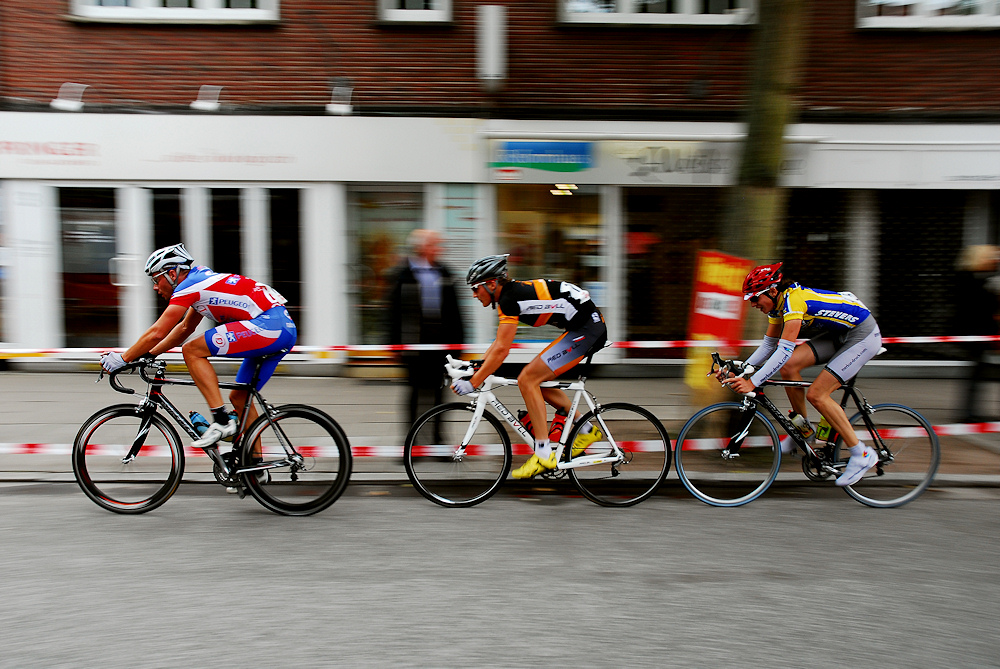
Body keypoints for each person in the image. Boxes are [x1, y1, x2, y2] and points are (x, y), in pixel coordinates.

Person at [100, 243, 297, 449]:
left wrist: (123, 358)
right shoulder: (201, 284)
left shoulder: (190, 285)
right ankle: (256, 469)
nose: (155, 287)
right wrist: (148, 355)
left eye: (156, 279)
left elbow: (158, 332)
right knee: (240, 398)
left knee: (192, 350)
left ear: (172, 274)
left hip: (270, 326)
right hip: (281, 328)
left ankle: (221, 421)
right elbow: (184, 328)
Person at [722, 262, 883, 487]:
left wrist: (753, 381)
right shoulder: (778, 305)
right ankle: (804, 430)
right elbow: (769, 345)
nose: (753, 304)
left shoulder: (793, 302)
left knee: (817, 394)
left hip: (862, 335)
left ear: (772, 291)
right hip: (840, 334)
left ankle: (862, 454)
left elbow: (784, 349)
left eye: (755, 298)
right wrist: (744, 368)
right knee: (789, 368)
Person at [451, 254, 607, 479]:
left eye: (476, 288)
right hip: (582, 327)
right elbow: (498, 344)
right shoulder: (509, 297)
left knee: (528, 379)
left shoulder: (509, 300)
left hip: (586, 331)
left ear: (492, 283)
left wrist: (474, 382)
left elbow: (503, 350)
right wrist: (477, 368)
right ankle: (585, 430)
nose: (474, 295)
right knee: (536, 380)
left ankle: (544, 454)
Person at [386, 229, 465, 430]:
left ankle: (438, 440)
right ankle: (412, 441)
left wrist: (459, 345)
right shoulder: (403, 275)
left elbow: (457, 313)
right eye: (434, 244)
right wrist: (393, 342)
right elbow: (392, 311)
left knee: (440, 393)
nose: (439, 249)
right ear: (421, 247)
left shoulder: (446, 273)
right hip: (414, 344)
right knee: (414, 394)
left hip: (441, 343)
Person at [954, 244, 1000, 423]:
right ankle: (968, 413)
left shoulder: (973, 279)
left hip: (978, 334)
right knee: (976, 373)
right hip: (975, 334)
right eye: (990, 258)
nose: (994, 261)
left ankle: (970, 411)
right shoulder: (972, 281)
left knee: (976, 373)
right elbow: (979, 310)